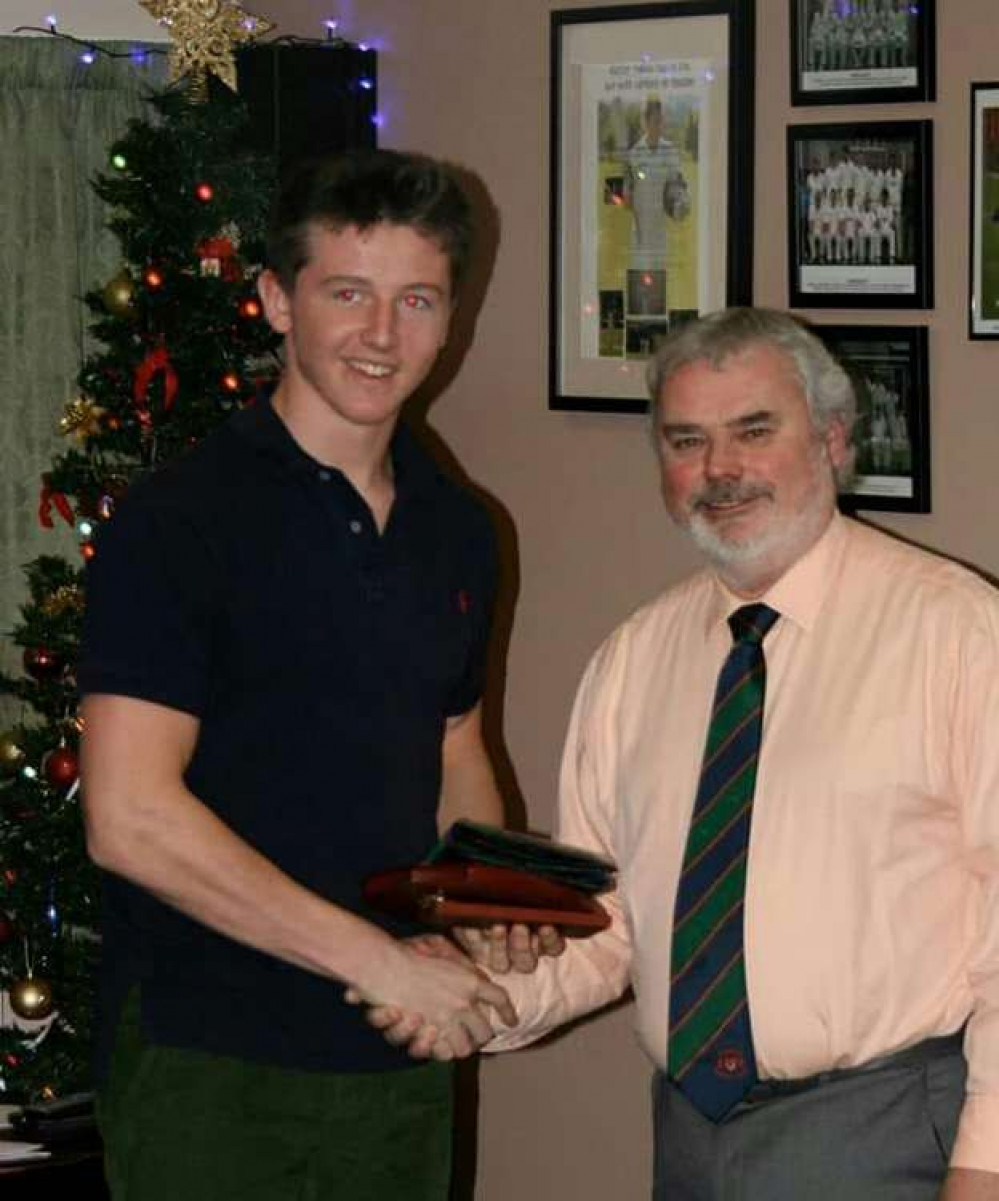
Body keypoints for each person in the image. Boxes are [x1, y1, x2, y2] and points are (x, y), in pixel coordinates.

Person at [366, 308, 999, 1201]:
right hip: (687, 1139)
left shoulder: (956, 633)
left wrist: (986, 1169)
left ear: (831, 436)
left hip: (891, 1133)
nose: (720, 470)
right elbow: (609, 922)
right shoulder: (633, 660)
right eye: (685, 440)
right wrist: (477, 996)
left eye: (752, 430)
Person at [77, 148, 518, 1201]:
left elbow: (455, 746)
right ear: (277, 300)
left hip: (392, 1048)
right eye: (346, 293)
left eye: (417, 298)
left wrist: (483, 900)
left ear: (451, 316)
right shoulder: (182, 521)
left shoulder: (460, 529)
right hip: (212, 1053)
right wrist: (376, 957)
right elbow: (128, 815)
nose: (382, 334)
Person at [622, 97, 689, 317]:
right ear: (645, 122)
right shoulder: (634, 154)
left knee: (658, 283)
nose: (658, 125)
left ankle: (655, 321)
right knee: (639, 281)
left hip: (659, 231)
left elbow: (678, 184)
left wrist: (680, 204)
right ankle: (637, 321)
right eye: (654, 121)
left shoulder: (669, 152)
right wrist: (627, 197)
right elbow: (625, 192)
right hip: (639, 230)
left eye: (661, 121)